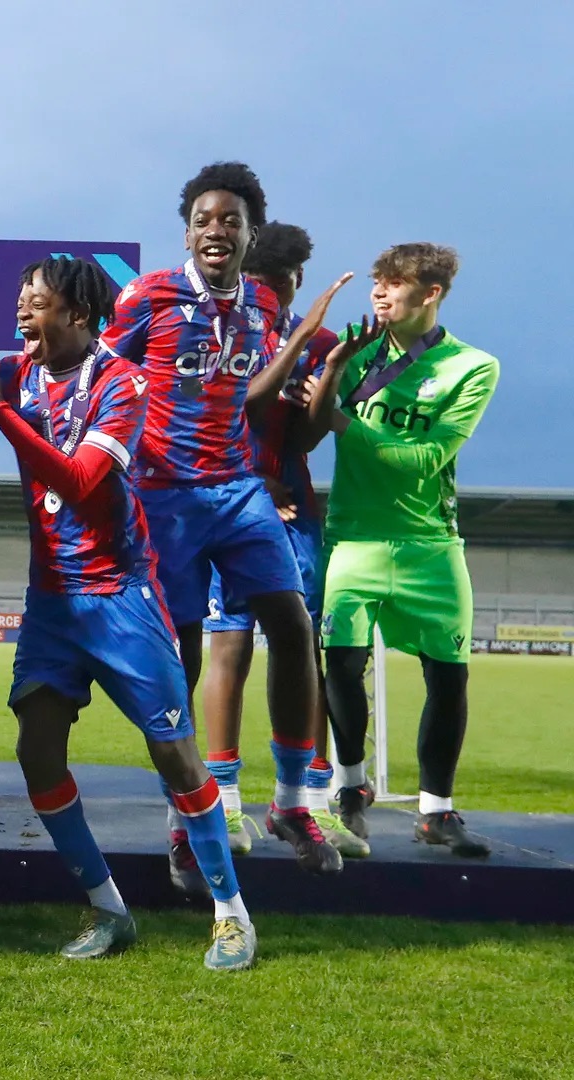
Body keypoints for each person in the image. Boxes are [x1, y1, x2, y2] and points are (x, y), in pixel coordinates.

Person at [0, 255, 259, 970]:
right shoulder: (20, 372)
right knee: (37, 752)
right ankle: (108, 907)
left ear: (79, 314)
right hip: (53, 603)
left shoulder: (123, 382)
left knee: (174, 754)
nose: (22, 312)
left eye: (36, 302)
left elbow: (81, 479)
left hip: (121, 596)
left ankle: (231, 914)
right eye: (20, 299)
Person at [102, 162, 341, 889]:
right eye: (203, 220)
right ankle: (185, 820)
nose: (216, 230)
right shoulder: (148, 295)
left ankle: (292, 804)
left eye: (230, 220)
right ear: (187, 234)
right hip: (164, 497)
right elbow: (100, 375)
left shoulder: (263, 301)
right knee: (181, 655)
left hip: (239, 489)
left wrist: (300, 346)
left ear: (250, 234)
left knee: (293, 626)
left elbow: (251, 400)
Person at [303, 244, 499, 857]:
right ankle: (350, 787)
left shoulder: (472, 366)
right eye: (377, 282)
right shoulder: (354, 354)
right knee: (340, 666)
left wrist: (342, 421)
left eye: (394, 283)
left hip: (430, 545)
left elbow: (425, 459)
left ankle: (436, 812)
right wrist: (329, 378)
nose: (379, 293)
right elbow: (303, 426)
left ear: (431, 293)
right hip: (352, 537)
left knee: (449, 676)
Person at [196, 224, 368, 858]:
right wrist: (248, 481)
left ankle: (309, 802)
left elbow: (305, 437)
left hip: (293, 509)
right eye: (266, 283)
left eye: (288, 282)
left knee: (301, 644)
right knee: (229, 645)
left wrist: (333, 373)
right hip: (224, 499)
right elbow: (198, 414)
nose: (276, 293)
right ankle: (224, 801)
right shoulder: (215, 331)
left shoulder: (318, 341)